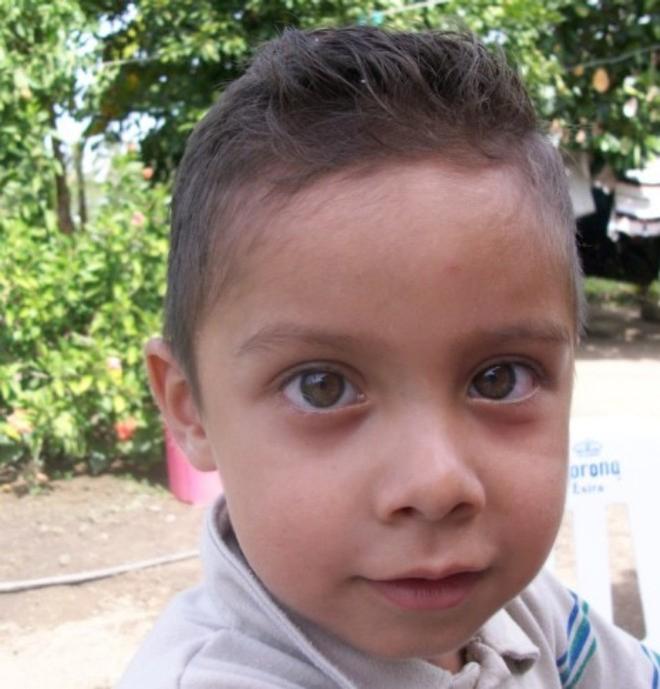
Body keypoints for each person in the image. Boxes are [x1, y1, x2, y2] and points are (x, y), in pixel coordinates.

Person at [117, 26, 659, 689]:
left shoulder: (524, 609)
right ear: (189, 407)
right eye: (320, 386)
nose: (436, 486)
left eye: (499, 378)